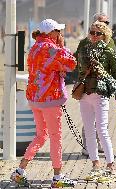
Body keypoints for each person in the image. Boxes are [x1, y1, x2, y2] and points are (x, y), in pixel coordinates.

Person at [10, 19, 77, 187]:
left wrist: (58, 67)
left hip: (34, 99)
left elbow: (48, 68)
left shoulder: (34, 48)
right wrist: (62, 46)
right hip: (51, 100)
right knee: (56, 137)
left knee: (41, 136)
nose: (60, 34)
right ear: (50, 33)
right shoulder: (52, 49)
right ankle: (57, 177)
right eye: (58, 31)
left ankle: (20, 171)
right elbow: (72, 63)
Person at [76, 21, 116, 179]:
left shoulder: (109, 52)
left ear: (105, 35)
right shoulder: (83, 49)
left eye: (98, 33)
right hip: (84, 95)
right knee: (89, 131)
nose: (94, 36)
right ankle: (95, 164)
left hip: (101, 94)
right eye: (92, 32)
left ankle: (111, 165)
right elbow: (76, 69)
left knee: (102, 130)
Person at [75, 13, 116, 156]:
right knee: (88, 122)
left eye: (106, 22)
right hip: (86, 88)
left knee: (101, 124)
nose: (103, 24)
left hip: (102, 88)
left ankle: (101, 149)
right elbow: (76, 62)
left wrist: (115, 91)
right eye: (100, 22)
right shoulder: (84, 42)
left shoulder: (110, 42)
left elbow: (113, 67)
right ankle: (87, 147)